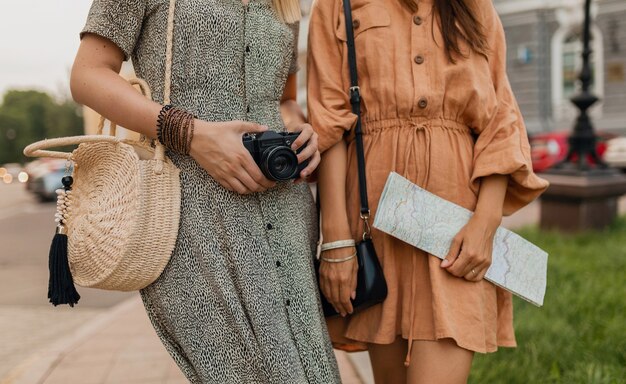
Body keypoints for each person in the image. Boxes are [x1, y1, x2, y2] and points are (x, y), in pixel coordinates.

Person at [70, 0, 340, 383]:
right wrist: (192, 134)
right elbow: (87, 75)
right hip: (192, 216)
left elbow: (283, 99)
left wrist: (301, 132)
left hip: (287, 213)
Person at [307, 0, 549, 382]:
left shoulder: (474, 7)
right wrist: (336, 243)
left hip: (455, 228)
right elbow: (329, 123)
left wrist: (485, 223)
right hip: (375, 228)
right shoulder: (339, 4)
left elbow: (501, 121)